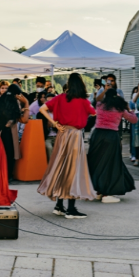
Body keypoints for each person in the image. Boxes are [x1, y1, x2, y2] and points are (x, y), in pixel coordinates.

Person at [37, 73, 97, 218]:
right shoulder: (83, 100)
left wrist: (54, 123)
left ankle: (59, 205)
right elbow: (94, 113)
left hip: (62, 134)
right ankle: (71, 209)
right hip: (75, 135)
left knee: (60, 169)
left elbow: (42, 109)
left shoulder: (59, 98)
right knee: (73, 171)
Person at [87, 89, 138, 203]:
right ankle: (107, 193)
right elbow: (133, 120)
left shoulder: (100, 105)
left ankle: (98, 191)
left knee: (96, 163)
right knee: (110, 164)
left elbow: (97, 99)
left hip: (97, 135)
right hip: (111, 136)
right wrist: (130, 110)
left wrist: (104, 90)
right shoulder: (120, 108)